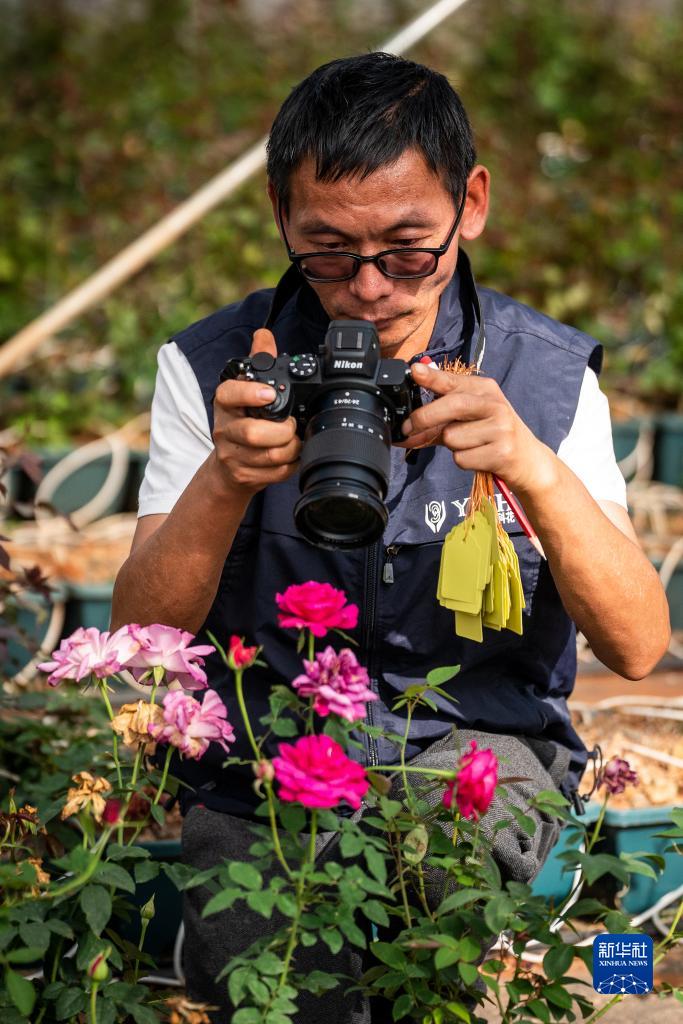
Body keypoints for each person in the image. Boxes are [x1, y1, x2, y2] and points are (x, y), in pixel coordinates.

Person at [111, 52, 670, 1022]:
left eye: (408, 248)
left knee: (434, 917)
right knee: (271, 968)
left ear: (471, 205)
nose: (369, 289)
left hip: (476, 751)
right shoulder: (211, 367)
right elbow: (135, 649)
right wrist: (225, 477)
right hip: (265, 767)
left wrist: (531, 468)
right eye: (326, 250)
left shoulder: (541, 375)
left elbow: (635, 644)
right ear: (280, 216)